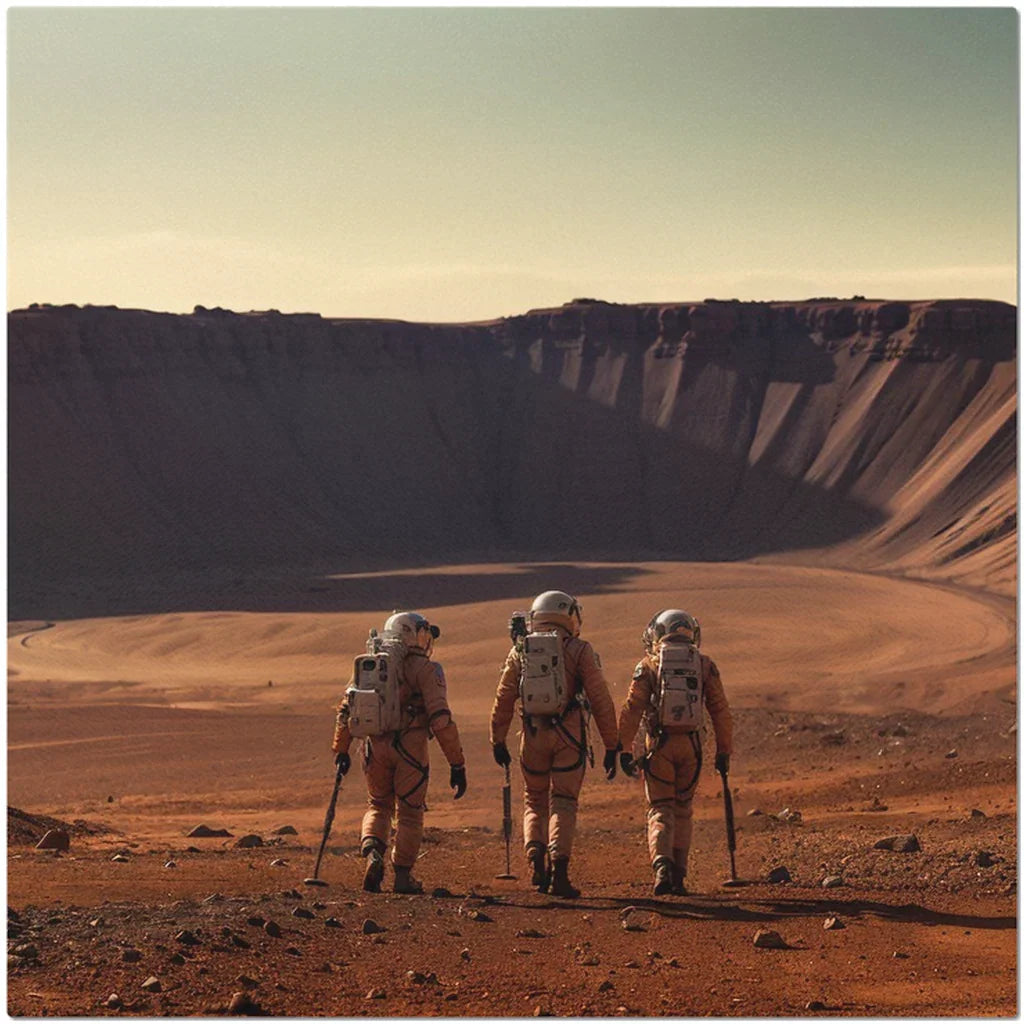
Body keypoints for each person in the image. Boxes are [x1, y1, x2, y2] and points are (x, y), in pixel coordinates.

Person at [490, 590, 620, 898]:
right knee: (563, 801)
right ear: (570, 617)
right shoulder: (579, 650)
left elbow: (504, 697)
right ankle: (559, 872)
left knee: (534, 800)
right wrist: (613, 745)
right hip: (569, 736)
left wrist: (497, 739)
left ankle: (536, 857)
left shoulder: (520, 651)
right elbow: (600, 700)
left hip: (533, 737)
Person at [332, 610, 467, 894]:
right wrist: (457, 763)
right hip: (411, 747)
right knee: (409, 812)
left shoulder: (371, 665)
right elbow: (440, 719)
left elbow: (347, 708)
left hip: (375, 746)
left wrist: (341, 750)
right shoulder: (425, 669)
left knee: (378, 805)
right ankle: (403, 877)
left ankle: (372, 853)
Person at [617, 609, 733, 896]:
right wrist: (723, 750)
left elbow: (632, 710)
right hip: (691, 747)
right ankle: (679, 874)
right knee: (683, 808)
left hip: (659, 746)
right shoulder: (704, 665)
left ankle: (661, 867)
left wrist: (622, 748)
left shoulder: (649, 665)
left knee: (660, 808)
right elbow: (720, 711)